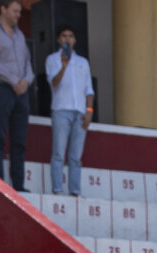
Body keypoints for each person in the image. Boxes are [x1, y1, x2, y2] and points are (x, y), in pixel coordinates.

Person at [0, 0, 35, 192]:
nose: (18, 15)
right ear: (2, 9)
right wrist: (14, 81)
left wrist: (26, 81)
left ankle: (18, 186)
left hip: (21, 92)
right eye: (15, 11)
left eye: (20, 12)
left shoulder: (20, 35)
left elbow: (28, 63)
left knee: (19, 140)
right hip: (1, 88)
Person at [46, 26, 94, 196]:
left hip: (80, 112)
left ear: (75, 40)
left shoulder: (83, 62)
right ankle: (57, 189)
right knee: (58, 153)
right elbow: (53, 83)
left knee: (75, 156)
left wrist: (89, 111)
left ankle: (74, 191)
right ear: (59, 40)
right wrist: (64, 66)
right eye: (64, 36)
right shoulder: (52, 59)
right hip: (61, 110)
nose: (67, 39)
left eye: (70, 36)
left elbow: (89, 89)